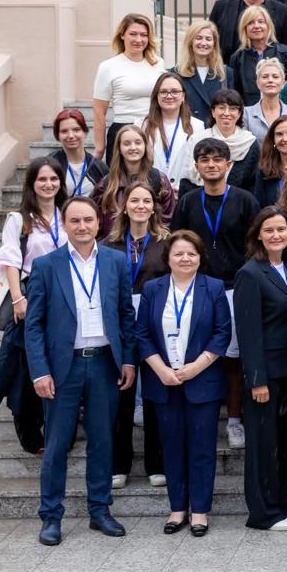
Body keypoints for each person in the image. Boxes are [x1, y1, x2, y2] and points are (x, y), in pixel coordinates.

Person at [24, 196, 137, 546]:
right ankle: (51, 516)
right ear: (65, 224)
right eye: (75, 221)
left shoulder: (116, 261)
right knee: (57, 444)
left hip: (104, 362)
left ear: (98, 223)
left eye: (88, 219)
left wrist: (128, 359)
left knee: (103, 441)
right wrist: (40, 371)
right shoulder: (47, 265)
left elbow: (125, 315)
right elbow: (34, 325)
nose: (83, 226)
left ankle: (100, 509)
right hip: (64, 367)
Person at [135, 230, 231, 537]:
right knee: (172, 447)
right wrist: (160, 369)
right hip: (163, 381)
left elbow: (222, 333)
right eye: (178, 253)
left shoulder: (213, 288)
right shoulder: (153, 289)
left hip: (201, 381)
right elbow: (142, 335)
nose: (185, 258)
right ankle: (177, 509)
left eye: (191, 253)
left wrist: (196, 367)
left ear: (200, 257)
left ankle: (200, 510)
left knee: (202, 448)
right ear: (168, 258)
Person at [171, 138, 262, 450]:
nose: (211, 164)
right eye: (204, 159)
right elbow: (178, 243)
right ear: (196, 166)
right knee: (198, 353)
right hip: (198, 288)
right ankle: (201, 414)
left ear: (228, 165)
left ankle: (235, 419)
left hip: (236, 288)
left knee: (233, 359)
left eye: (217, 159)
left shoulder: (246, 200)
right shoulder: (187, 202)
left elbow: (256, 246)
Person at [0, 158, 69, 456]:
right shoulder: (19, 218)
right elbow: (9, 258)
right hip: (30, 290)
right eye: (42, 180)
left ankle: (59, 422)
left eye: (53, 179)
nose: (48, 184)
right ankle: (28, 427)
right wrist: (18, 297)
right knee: (25, 361)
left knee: (58, 357)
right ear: (31, 184)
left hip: (63, 293)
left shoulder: (66, 214)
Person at [233, 208, 287, 531]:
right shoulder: (250, 273)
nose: (276, 235)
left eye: (282, 229)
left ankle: (284, 505)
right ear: (258, 235)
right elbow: (248, 333)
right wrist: (256, 378)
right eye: (270, 230)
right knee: (262, 444)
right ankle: (262, 513)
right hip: (266, 374)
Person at [100, 184, 169, 491]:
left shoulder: (165, 242)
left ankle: (156, 463)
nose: (140, 205)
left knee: (154, 394)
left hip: (155, 324)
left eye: (146, 200)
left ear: (154, 207)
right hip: (120, 324)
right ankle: (119, 464)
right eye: (134, 200)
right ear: (124, 206)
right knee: (122, 393)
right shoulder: (109, 244)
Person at [92, 13, 166, 160]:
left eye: (144, 35)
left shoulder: (158, 63)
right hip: (123, 130)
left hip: (153, 130)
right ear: (122, 35)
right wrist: (100, 148)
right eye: (133, 34)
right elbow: (99, 112)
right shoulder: (108, 67)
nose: (139, 40)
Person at [91, 125, 177, 236]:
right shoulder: (107, 183)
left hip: (150, 247)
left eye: (138, 142)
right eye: (126, 144)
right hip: (116, 246)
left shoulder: (159, 180)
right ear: (119, 149)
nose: (133, 147)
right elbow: (97, 222)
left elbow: (168, 219)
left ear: (145, 146)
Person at [140, 72, 204, 192]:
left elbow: (197, 164)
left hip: (182, 193)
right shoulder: (142, 125)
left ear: (183, 96)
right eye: (163, 92)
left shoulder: (197, 126)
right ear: (156, 96)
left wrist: (181, 188)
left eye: (175, 91)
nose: (169, 96)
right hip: (150, 193)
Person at [192, 89, 259, 191]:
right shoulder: (197, 139)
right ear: (213, 112)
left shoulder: (250, 143)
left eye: (233, 109)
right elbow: (186, 179)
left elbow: (254, 184)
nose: (226, 113)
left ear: (239, 113)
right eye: (221, 108)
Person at [49, 108, 108, 199]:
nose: (71, 136)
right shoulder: (49, 164)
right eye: (64, 131)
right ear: (57, 136)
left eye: (76, 130)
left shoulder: (99, 167)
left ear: (85, 132)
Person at [242, 58, 287, 147]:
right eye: (265, 77)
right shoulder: (246, 114)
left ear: (283, 83)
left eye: (275, 77)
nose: (270, 80)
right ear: (258, 83)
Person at [176, 20, 227, 125]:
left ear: (214, 43)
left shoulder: (226, 73)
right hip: (187, 130)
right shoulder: (176, 73)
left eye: (208, 39)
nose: (203, 43)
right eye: (198, 38)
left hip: (215, 133)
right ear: (190, 41)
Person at [252, 114, 287, 207]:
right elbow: (259, 208)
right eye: (279, 134)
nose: (285, 139)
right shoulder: (264, 172)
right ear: (273, 140)